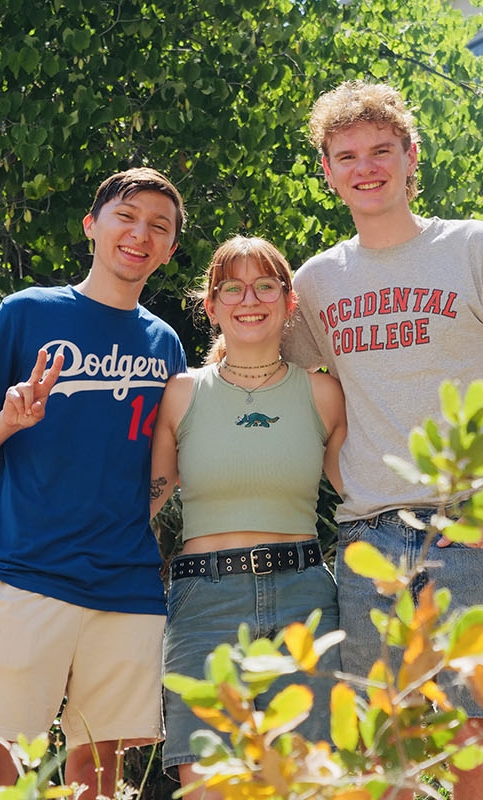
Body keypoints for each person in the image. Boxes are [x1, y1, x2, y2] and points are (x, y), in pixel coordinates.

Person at [283, 81, 483, 800]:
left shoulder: (475, 248)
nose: (365, 166)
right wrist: (335, 466)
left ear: (411, 157)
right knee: (387, 750)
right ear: (327, 172)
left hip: (468, 524)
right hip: (367, 538)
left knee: (477, 744)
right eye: (346, 155)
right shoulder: (317, 282)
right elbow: (293, 389)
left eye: (382, 150)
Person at [0, 167, 188, 800]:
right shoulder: (27, 312)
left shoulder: (165, 344)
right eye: (126, 217)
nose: (140, 234)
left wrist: (143, 507)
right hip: (29, 570)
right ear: (92, 225)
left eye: (158, 228)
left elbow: (167, 458)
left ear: (168, 249)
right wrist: (10, 417)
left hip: (126, 582)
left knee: (97, 778)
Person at [149, 236, 347, 794]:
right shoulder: (182, 394)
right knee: (210, 785)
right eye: (230, 288)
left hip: (305, 602)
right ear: (210, 306)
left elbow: (360, 490)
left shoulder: (323, 393)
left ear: (289, 302)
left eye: (264, 285)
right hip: (204, 605)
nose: (248, 299)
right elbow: (149, 496)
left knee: (304, 784)